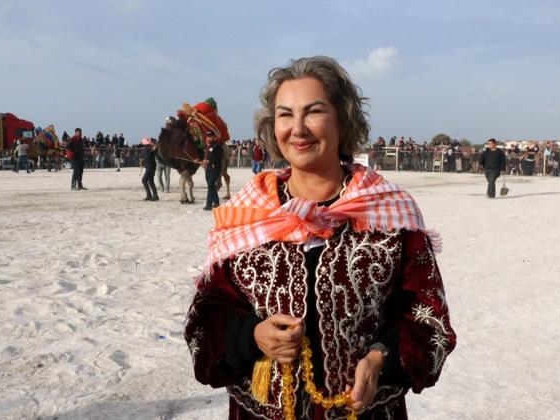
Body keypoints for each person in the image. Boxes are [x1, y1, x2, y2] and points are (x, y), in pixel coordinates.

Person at [184, 56, 456, 420]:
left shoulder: (390, 214)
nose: (298, 129)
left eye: (313, 112)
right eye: (285, 114)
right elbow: (202, 324)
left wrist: (381, 357)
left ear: (342, 120)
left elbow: (429, 322)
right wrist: (251, 336)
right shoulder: (247, 215)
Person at [202, 132, 223, 210]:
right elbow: (206, 157)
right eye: (207, 137)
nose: (208, 138)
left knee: (211, 186)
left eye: (210, 137)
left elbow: (218, 158)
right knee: (211, 187)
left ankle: (209, 204)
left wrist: (209, 161)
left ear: (214, 137)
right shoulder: (208, 146)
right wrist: (201, 161)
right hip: (208, 169)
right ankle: (216, 202)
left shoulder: (217, 146)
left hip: (215, 169)